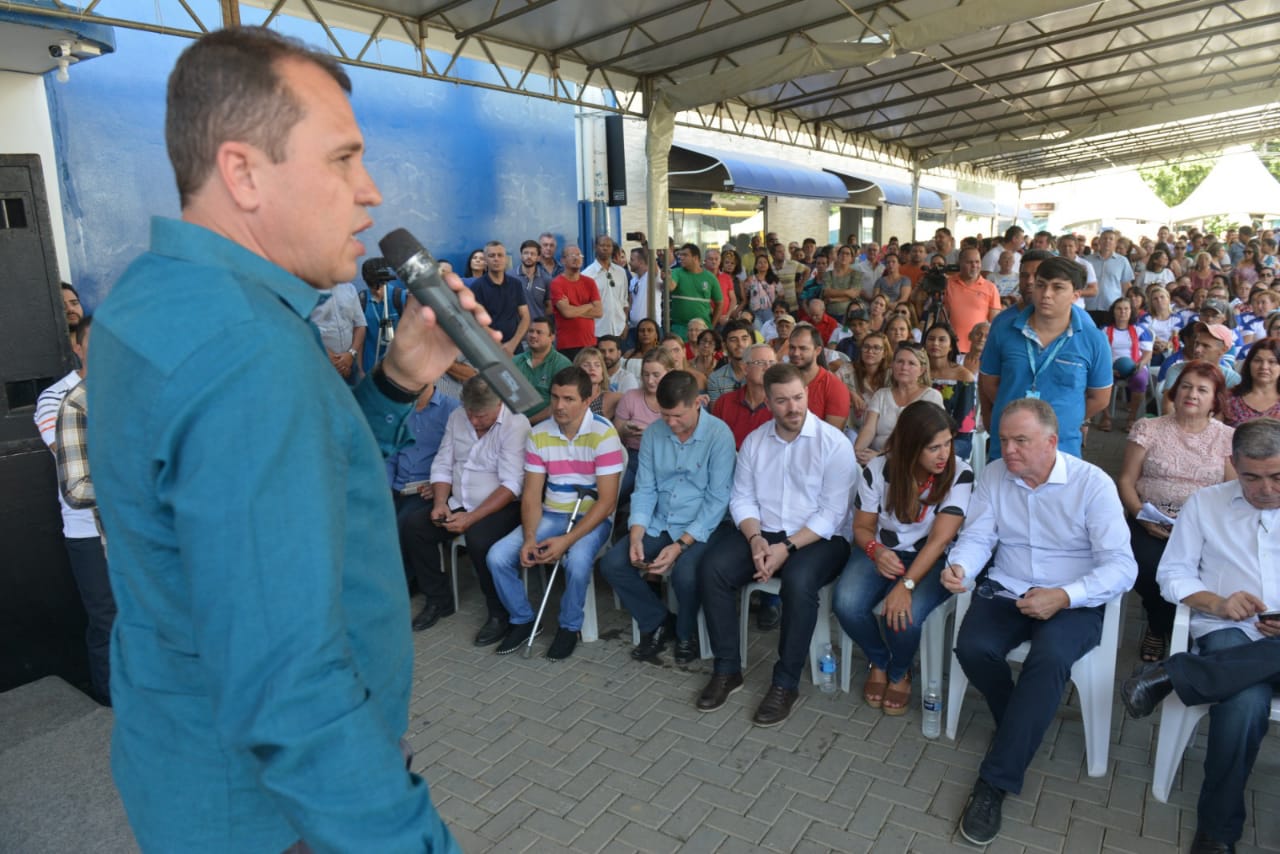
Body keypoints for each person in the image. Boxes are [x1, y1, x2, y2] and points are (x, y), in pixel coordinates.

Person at [86, 27, 470, 851]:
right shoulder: (246, 348)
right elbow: (290, 683)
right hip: (282, 816)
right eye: (342, 159)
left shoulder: (157, 296)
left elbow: (293, 481)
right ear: (243, 173)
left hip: (193, 773)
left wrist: (397, 380)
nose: (371, 192)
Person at [941, 399, 1136, 847]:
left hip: (1075, 597)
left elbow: (1122, 567)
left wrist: (1065, 596)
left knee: (1048, 659)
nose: (1008, 450)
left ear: (1051, 442)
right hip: (1009, 585)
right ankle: (1021, 721)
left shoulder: (1092, 484)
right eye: (1003, 440)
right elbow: (978, 536)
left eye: (1020, 441)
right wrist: (962, 567)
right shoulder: (995, 475)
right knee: (972, 647)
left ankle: (995, 781)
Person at [1119, 418, 1280, 854]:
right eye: (1251, 477)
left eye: (1277, 476)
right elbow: (1172, 575)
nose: (1266, 489)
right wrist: (1218, 603)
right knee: (1244, 703)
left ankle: (1175, 674)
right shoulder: (1206, 504)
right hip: (1228, 630)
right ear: (1233, 465)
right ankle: (1217, 831)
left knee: (1238, 689)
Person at [696, 364, 856, 726]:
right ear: (767, 403)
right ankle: (727, 669)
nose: (793, 407)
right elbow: (742, 499)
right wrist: (755, 539)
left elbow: (832, 514)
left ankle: (785, 682)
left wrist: (786, 548)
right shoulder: (755, 441)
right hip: (764, 531)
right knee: (713, 568)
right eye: (782, 401)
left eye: (798, 397)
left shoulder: (834, 443)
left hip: (820, 538)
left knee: (799, 582)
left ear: (807, 395)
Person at [836, 401, 971, 714]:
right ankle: (880, 660)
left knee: (902, 618)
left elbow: (939, 540)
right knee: (846, 604)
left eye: (948, 443)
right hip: (883, 550)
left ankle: (899, 672)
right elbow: (862, 528)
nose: (944, 454)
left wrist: (906, 585)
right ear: (910, 446)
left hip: (933, 558)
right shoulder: (878, 469)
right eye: (933, 447)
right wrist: (876, 550)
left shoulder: (959, 473)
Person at [599, 370, 736, 664]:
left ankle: (687, 633)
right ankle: (659, 620)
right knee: (613, 564)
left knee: (685, 573)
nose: (671, 423)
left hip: (705, 525)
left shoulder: (719, 434)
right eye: (664, 415)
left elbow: (717, 501)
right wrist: (637, 533)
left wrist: (681, 545)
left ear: (697, 403)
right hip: (662, 519)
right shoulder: (654, 432)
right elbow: (645, 488)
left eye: (677, 416)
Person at [487, 367, 623, 661]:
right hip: (552, 513)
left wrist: (567, 541)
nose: (559, 406)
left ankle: (569, 626)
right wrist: (530, 538)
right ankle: (523, 620)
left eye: (569, 399)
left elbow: (607, 502)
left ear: (587, 400)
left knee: (577, 561)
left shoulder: (604, 433)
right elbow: (532, 495)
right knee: (497, 556)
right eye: (555, 397)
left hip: (592, 518)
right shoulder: (538, 434)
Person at [1117, 360, 1234, 664]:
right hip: (1150, 520)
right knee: (1146, 568)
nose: (1192, 394)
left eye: (1202, 390)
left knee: (1203, 571)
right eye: (1186, 386)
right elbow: (1126, 481)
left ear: (1215, 399)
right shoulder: (1149, 428)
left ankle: (1160, 626)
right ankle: (1163, 624)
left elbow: (1232, 491)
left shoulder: (1227, 438)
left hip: (1203, 527)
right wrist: (1140, 515)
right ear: (1174, 391)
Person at [422, 377, 531, 646]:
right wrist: (440, 502)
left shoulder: (516, 424)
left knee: (479, 539)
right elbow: (443, 463)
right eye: (469, 412)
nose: (472, 420)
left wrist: (471, 518)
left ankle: (498, 613)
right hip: (459, 500)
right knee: (415, 527)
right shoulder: (457, 416)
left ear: (498, 404)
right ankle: (438, 599)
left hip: (502, 506)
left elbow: (511, 485)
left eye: (480, 416)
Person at [42, 316, 116, 706]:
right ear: (78, 347)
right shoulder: (67, 399)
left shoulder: (139, 392)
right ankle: (108, 703)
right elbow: (74, 481)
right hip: (89, 530)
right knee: (107, 620)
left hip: (136, 533)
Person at [980, 257, 1113, 459]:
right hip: (1008, 449)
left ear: (1075, 295)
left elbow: (1100, 398)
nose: (1046, 294)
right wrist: (1015, 416)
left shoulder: (1094, 339)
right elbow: (989, 383)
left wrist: (1064, 417)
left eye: (1057, 287)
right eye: (1041, 285)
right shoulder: (1003, 329)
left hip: (1062, 449)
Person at [388, 382, 461, 630]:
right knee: (372, 520)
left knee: (404, 525)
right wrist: (384, 487)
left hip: (427, 488)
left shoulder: (452, 410)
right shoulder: (399, 409)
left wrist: (441, 485)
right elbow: (391, 454)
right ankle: (403, 581)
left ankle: (414, 588)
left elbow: (461, 456)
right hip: (399, 485)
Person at [855, 344, 944, 465]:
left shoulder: (931, 396)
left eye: (911, 363)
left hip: (911, 461)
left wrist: (882, 456)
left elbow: (924, 438)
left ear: (922, 370)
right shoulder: (881, 394)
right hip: (873, 457)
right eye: (900, 361)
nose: (904, 367)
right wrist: (856, 452)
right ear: (892, 365)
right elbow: (869, 429)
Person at [614, 348, 674, 498]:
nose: (650, 380)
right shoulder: (631, 396)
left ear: (669, 373)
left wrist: (651, 433)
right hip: (634, 456)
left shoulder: (677, 400)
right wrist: (625, 430)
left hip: (667, 459)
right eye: (646, 374)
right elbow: (615, 433)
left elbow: (683, 437)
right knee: (615, 493)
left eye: (656, 375)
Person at [925, 323, 977, 460]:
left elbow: (965, 424)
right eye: (931, 339)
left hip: (955, 440)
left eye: (942, 339)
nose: (935, 343)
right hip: (920, 435)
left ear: (951, 346)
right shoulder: (917, 371)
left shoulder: (963, 376)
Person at [1101, 296, 1154, 432]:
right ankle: (1106, 416)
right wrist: (1108, 369)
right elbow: (1099, 353)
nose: (1122, 312)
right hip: (1110, 366)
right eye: (1119, 309)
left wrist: (1140, 364)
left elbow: (1147, 353)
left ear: (1131, 311)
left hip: (1135, 365)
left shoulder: (1140, 329)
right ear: (1113, 311)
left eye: (1126, 309)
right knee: (1100, 379)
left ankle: (1132, 417)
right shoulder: (1105, 330)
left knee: (1140, 379)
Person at [711, 342, 777, 447]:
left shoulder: (781, 405)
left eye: (772, 363)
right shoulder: (724, 402)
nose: (767, 367)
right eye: (760, 363)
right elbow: (714, 442)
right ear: (745, 368)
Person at [470, 240, 530, 355]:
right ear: (485, 260)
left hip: (515, 348)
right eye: (492, 256)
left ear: (505, 259)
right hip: (489, 349)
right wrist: (500, 346)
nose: (496, 259)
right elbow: (476, 321)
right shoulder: (477, 287)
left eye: (500, 255)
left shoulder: (515, 284)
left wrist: (513, 344)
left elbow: (525, 316)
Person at [788, 324, 852, 429]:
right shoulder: (780, 381)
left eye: (803, 348)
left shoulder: (835, 387)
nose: (795, 353)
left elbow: (831, 434)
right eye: (792, 347)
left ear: (817, 351)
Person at [943, 247, 1001, 358]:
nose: (974, 265)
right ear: (960, 263)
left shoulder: (990, 288)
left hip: (978, 350)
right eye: (969, 262)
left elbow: (995, 323)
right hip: (951, 348)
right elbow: (941, 317)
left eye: (977, 262)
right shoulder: (947, 284)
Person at [514, 317, 573, 424]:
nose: (533, 335)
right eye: (531, 331)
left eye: (539, 332)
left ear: (552, 337)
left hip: (548, 424)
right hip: (513, 421)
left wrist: (527, 422)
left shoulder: (562, 364)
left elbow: (560, 403)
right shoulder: (516, 361)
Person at [310, 277, 367, 385]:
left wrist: (351, 354)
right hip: (320, 363)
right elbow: (303, 327)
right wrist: (333, 359)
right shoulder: (307, 290)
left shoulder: (350, 288)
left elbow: (360, 325)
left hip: (350, 363)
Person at [550, 245, 601, 357]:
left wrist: (572, 309)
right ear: (563, 260)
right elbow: (567, 313)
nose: (576, 258)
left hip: (589, 342)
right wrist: (589, 305)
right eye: (572, 255)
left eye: (579, 255)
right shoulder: (557, 283)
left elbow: (599, 312)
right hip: (567, 344)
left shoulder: (590, 282)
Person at [667, 242, 722, 341]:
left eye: (685, 255)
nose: (681, 257)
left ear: (695, 258)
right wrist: (666, 278)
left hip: (703, 328)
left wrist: (711, 326)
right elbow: (670, 287)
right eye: (680, 255)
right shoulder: (676, 272)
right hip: (680, 328)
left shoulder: (710, 277)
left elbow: (719, 303)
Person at [582, 233, 629, 340]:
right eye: (602, 245)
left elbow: (624, 301)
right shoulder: (587, 275)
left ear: (612, 248)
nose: (605, 248)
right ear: (595, 247)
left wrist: (625, 323)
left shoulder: (621, 272)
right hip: (598, 330)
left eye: (608, 246)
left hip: (619, 329)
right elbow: (584, 306)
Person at [1224, 337, 1280, 426]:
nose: (1264, 367)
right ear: (1249, 364)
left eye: (1272, 362)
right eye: (1258, 360)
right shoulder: (1229, 399)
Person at [1085, 229, 1136, 324]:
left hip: (1112, 307)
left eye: (1111, 239)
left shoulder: (1122, 261)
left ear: (1115, 243)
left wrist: (1129, 304)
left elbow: (1126, 285)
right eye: (1104, 238)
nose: (1107, 241)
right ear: (1099, 241)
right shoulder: (1087, 260)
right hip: (1089, 305)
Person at [706, 320, 755, 404]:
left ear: (752, 342)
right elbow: (716, 411)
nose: (740, 344)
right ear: (724, 345)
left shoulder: (763, 373)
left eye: (744, 339)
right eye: (733, 340)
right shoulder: (715, 379)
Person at [512, 238, 552, 321]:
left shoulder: (546, 279)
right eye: (526, 253)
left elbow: (550, 306)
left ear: (538, 257)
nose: (529, 256)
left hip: (538, 327)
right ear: (521, 255)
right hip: (516, 326)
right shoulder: (510, 276)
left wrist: (540, 318)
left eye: (532, 254)